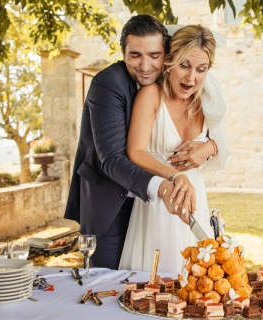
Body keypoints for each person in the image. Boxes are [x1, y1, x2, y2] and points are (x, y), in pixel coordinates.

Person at [64, 16, 217, 270]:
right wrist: (171, 180)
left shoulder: (194, 89)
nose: (145, 66)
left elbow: (219, 135)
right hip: (112, 200)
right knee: (114, 283)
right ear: (123, 52)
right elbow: (113, 158)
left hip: (178, 200)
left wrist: (210, 147)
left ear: (166, 53)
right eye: (135, 55)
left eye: (154, 55)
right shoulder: (108, 84)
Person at [118, 25, 227, 274]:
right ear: (169, 61)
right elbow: (135, 152)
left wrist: (209, 147)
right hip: (158, 199)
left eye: (201, 70)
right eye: (184, 66)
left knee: (198, 281)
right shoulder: (151, 95)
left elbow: (223, 143)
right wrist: (174, 175)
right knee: (151, 286)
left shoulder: (206, 100)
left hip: (194, 198)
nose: (191, 79)